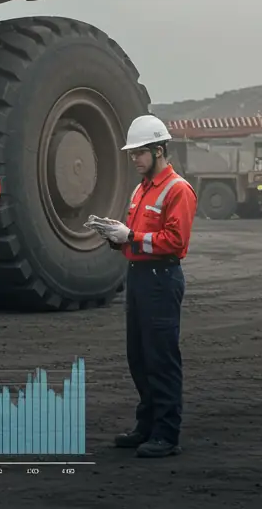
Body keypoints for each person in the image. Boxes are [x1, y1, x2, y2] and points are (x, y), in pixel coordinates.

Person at [91, 114, 195, 459]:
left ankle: (166, 433)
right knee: (139, 356)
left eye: (139, 152)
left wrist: (131, 235)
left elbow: (175, 242)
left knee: (161, 357)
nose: (134, 158)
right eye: (132, 153)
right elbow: (136, 238)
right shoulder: (141, 189)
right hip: (138, 277)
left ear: (159, 150)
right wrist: (115, 236)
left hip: (161, 279)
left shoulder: (177, 189)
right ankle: (147, 425)